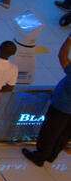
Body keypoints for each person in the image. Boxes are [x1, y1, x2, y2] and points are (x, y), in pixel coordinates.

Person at [22, 33, 71, 166]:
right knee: (64, 134)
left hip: (61, 107)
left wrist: (69, 39)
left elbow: (63, 57)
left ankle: (40, 156)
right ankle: (52, 155)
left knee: (50, 132)